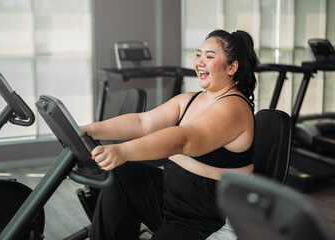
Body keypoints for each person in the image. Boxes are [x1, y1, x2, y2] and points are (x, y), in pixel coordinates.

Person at [80, 29, 258, 240]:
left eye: (209, 57)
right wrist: (88, 129)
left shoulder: (234, 108)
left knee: (125, 164)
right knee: (122, 177)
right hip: (172, 200)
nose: (200, 62)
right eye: (198, 54)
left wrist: (124, 150)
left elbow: (185, 139)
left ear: (232, 67)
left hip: (205, 217)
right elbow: (142, 122)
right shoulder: (191, 99)